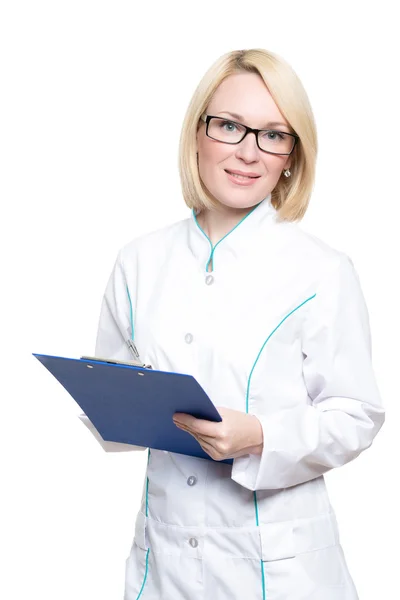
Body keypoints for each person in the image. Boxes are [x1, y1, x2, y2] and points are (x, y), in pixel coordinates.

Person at [80, 48, 385, 599]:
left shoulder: (322, 271)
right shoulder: (139, 262)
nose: (249, 152)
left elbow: (356, 414)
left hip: (281, 569)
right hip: (163, 565)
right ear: (197, 135)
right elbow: (112, 395)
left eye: (274, 134)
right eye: (229, 126)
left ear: (292, 154)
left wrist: (260, 436)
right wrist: (110, 405)